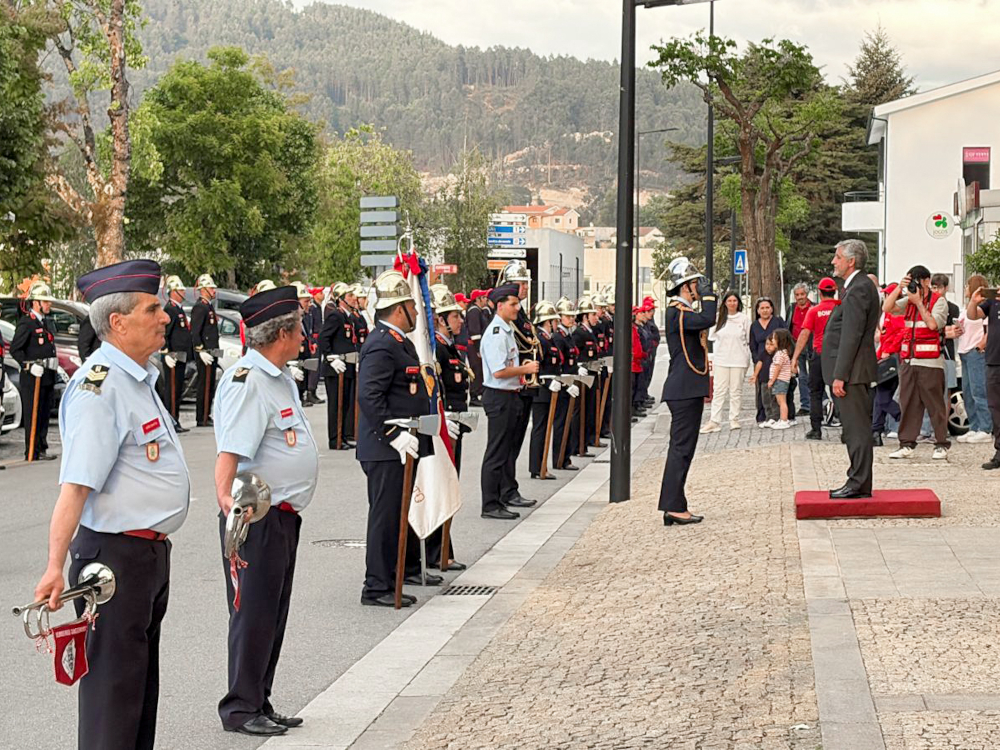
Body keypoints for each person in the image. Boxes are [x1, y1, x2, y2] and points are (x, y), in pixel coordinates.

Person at [32, 259, 190, 750]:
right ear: (118, 322)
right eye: (153, 308)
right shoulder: (99, 387)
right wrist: (56, 565)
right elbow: (75, 488)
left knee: (139, 695)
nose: (165, 317)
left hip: (146, 556)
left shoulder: (137, 377)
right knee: (113, 700)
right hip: (113, 560)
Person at [213, 285, 318, 737]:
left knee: (273, 611)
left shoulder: (279, 376)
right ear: (281, 333)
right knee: (252, 611)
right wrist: (231, 513)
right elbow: (229, 456)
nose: (304, 337)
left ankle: (259, 696)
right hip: (255, 516)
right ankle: (239, 707)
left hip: (283, 516)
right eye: (298, 329)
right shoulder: (247, 381)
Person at [356, 271, 443, 607]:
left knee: (398, 513)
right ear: (398, 309)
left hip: (402, 444)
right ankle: (376, 585)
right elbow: (369, 396)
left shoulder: (397, 341)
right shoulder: (381, 344)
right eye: (412, 306)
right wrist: (392, 434)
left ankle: (395, 572)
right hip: (385, 446)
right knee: (385, 516)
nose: (418, 313)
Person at [658, 257, 716, 526]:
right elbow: (708, 318)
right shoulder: (678, 312)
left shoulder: (683, 312)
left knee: (684, 449)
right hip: (683, 388)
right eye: (695, 284)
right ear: (686, 287)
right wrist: (709, 296)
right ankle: (672, 506)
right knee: (681, 449)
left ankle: (676, 504)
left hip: (687, 387)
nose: (699, 288)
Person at [822, 239, 880, 498]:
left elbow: (851, 335)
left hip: (853, 372)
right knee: (853, 428)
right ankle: (857, 480)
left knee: (856, 429)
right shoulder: (856, 286)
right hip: (853, 371)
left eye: (837, 257)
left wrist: (840, 375)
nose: (834, 262)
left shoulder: (858, 288)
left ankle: (858, 483)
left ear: (850, 261)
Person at [479, 284, 540, 520]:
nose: (517, 308)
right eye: (513, 304)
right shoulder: (496, 332)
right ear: (500, 306)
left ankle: (504, 495)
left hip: (510, 395)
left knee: (506, 451)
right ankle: (490, 504)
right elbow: (498, 371)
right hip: (499, 396)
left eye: (517, 303)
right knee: (496, 453)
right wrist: (524, 368)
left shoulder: (506, 330)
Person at [884, 265, 950, 460]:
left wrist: (919, 303)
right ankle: (906, 443)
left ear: (927, 281)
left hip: (930, 362)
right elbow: (886, 308)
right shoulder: (909, 301)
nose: (914, 287)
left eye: (916, 282)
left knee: (935, 405)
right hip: (909, 361)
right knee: (908, 404)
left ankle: (941, 444)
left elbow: (933, 325)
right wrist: (898, 288)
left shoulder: (939, 302)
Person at [427, 285, 468, 571]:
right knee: (441, 486)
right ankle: (438, 553)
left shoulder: (449, 346)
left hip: (456, 422)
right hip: (445, 423)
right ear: (441, 319)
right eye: (455, 316)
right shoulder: (436, 349)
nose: (460, 321)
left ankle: (443, 549)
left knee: (450, 485)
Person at [499, 261, 540, 507]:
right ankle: (505, 489)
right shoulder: (505, 318)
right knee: (508, 442)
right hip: (514, 382)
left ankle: (509, 486)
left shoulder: (521, 314)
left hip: (524, 382)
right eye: (520, 284)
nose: (524, 288)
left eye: (525, 284)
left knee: (515, 441)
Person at [10, 281, 59, 461]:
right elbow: (16, 349)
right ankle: (32, 450)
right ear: (36, 303)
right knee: (33, 414)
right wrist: (29, 365)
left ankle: (42, 447)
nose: (49, 305)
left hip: (46, 375)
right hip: (32, 378)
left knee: (45, 413)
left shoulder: (45, 323)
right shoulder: (27, 323)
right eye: (46, 302)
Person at [792, 277, 840, 440]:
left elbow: (804, 334)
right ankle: (846, 429)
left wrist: (795, 358)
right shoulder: (841, 308)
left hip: (819, 354)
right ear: (834, 291)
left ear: (819, 293)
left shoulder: (814, 311)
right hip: (838, 355)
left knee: (815, 392)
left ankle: (816, 428)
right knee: (839, 391)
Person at [702, 291, 751, 432]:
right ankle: (714, 421)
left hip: (739, 359)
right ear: (724, 303)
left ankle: (734, 419)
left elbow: (748, 340)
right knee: (719, 391)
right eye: (729, 301)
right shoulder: (719, 319)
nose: (732, 303)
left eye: (734, 301)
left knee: (736, 391)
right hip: (721, 359)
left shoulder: (744, 319)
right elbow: (711, 337)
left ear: (738, 303)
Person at [965, 282, 1000, 469]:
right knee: (995, 408)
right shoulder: (993, 302)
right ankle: (999, 452)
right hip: (993, 360)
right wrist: (974, 301)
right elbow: (973, 315)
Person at [320, 282, 358, 449]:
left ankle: (342, 436)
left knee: (346, 403)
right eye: (350, 296)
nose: (354, 298)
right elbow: (323, 339)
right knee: (336, 404)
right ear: (341, 300)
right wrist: (330, 357)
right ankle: (335, 439)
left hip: (347, 366)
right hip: (336, 367)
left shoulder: (348, 316)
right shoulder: (335, 316)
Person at [528, 300, 563, 480]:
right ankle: (537, 467)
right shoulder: (539, 340)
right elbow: (537, 367)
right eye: (554, 321)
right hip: (542, 390)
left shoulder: (548, 339)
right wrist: (548, 383)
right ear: (548, 322)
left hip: (549, 389)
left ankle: (541, 465)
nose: (556, 324)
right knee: (540, 429)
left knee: (544, 428)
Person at [956, 274, 991, 444]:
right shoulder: (966, 308)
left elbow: (988, 330)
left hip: (975, 352)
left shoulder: (985, 307)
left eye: (967, 285)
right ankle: (974, 426)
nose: (965, 289)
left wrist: (980, 347)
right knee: (968, 392)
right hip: (964, 351)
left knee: (979, 390)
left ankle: (985, 427)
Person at [871, 282, 903, 446]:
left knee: (883, 398)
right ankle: (876, 431)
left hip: (891, 358)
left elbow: (899, 335)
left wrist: (889, 351)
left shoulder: (896, 314)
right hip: (885, 357)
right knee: (879, 398)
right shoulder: (890, 314)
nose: (884, 297)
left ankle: (902, 418)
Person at [551, 297, 582, 471]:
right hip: (563, 384)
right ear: (560, 317)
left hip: (570, 381)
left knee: (568, 421)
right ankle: (559, 458)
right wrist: (566, 382)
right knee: (561, 422)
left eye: (572, 316)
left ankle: (566, 457)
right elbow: (559, 364)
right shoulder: (558, 337)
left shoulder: (567, 335)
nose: (571, 319)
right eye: (568, 316)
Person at [159, 275, 192, 431]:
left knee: (178, 389)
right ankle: (171, 421)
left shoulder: (177, 309)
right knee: (172, 390)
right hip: (172, 356)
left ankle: (175, 419)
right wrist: (165, 353)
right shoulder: (170, 310)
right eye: (180, 290)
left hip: (180, 355)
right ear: (173, 292)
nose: (183, 293)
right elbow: (165, 333)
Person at [749, 297, 785, 427]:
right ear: (757, 310)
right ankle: (764, 416)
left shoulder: (778, 321)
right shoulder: (754, 325)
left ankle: (781, 416)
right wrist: (757, 359)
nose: (765, 310)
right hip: (761, 361)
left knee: (778, 387)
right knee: (763, 389)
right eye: (762, 308)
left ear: (772, 309)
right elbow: (752, 345)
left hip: (777, 360)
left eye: (767, 307)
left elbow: (786, 338)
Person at [190, 273, 220, 427]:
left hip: (212, 351)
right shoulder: (200, 307)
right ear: (203, 289)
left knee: (210, 384)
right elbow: (195, 332)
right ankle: (201, 417)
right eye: (211, 288)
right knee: (204, 384)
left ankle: (206, 414)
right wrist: (200, 350)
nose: (214, 291)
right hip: (205, 352)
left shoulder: (208, 306)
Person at [788, 283, 813, 416]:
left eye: (802, 294)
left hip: (812, 346)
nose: (800, 297)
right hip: (797, 346)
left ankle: (823, 403)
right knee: (802, 376)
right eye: (797, 295)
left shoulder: (814, 307)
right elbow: (789, 326)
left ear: (807, 294)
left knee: (815, 376)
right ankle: (805, 405)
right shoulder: (791, 308)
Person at [765, 328, 795, 429]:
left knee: (781, 401)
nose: (772, 340)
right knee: (781, 401)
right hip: (782, 380)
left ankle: (784, 420)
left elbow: (777, 368)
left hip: (780, 380)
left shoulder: (780, 354)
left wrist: (772, 380)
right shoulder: (784, 352)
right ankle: (783, 419)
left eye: (774, 338)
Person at [465, 289, 489, 406]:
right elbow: (475, 331)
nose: (486, 300)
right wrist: (478, 348)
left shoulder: (479, 311)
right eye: (484, 297)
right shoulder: (474, 311)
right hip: (474, 346)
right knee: (476, 369)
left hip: (476, 345)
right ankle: (474, 395)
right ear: (478, 299)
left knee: (479, 369)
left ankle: (477, 393)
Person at [306, 289, 325, 405]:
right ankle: (310, 391)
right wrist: (313, 340)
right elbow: (311, 326)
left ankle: (313, 391)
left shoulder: (317, 307)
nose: (323, 295)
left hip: (318, 339)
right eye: (320, 292)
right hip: (314, 339)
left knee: (316, 367)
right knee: (314, 368)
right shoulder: (313, 308)